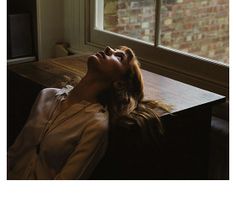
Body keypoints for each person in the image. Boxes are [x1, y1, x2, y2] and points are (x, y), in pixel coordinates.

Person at [7, 46, 169, 180]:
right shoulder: (47, 95)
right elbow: (14, 152)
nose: (107, 49)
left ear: (119, 83)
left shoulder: (95, 124)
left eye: (119, 57)